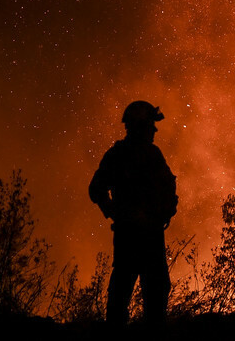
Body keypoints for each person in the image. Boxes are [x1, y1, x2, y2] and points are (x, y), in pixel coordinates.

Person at [89, 100, 178, 328]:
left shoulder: (149, 155)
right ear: (140, 126)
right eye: (150, 125)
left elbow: (168, 187)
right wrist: (116, 213)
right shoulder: (121, 155)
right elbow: (96, 189)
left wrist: (165, 211)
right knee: (123, 293)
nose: (154, 131)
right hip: (134, 235)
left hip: (147, 234)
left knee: (151, 291)